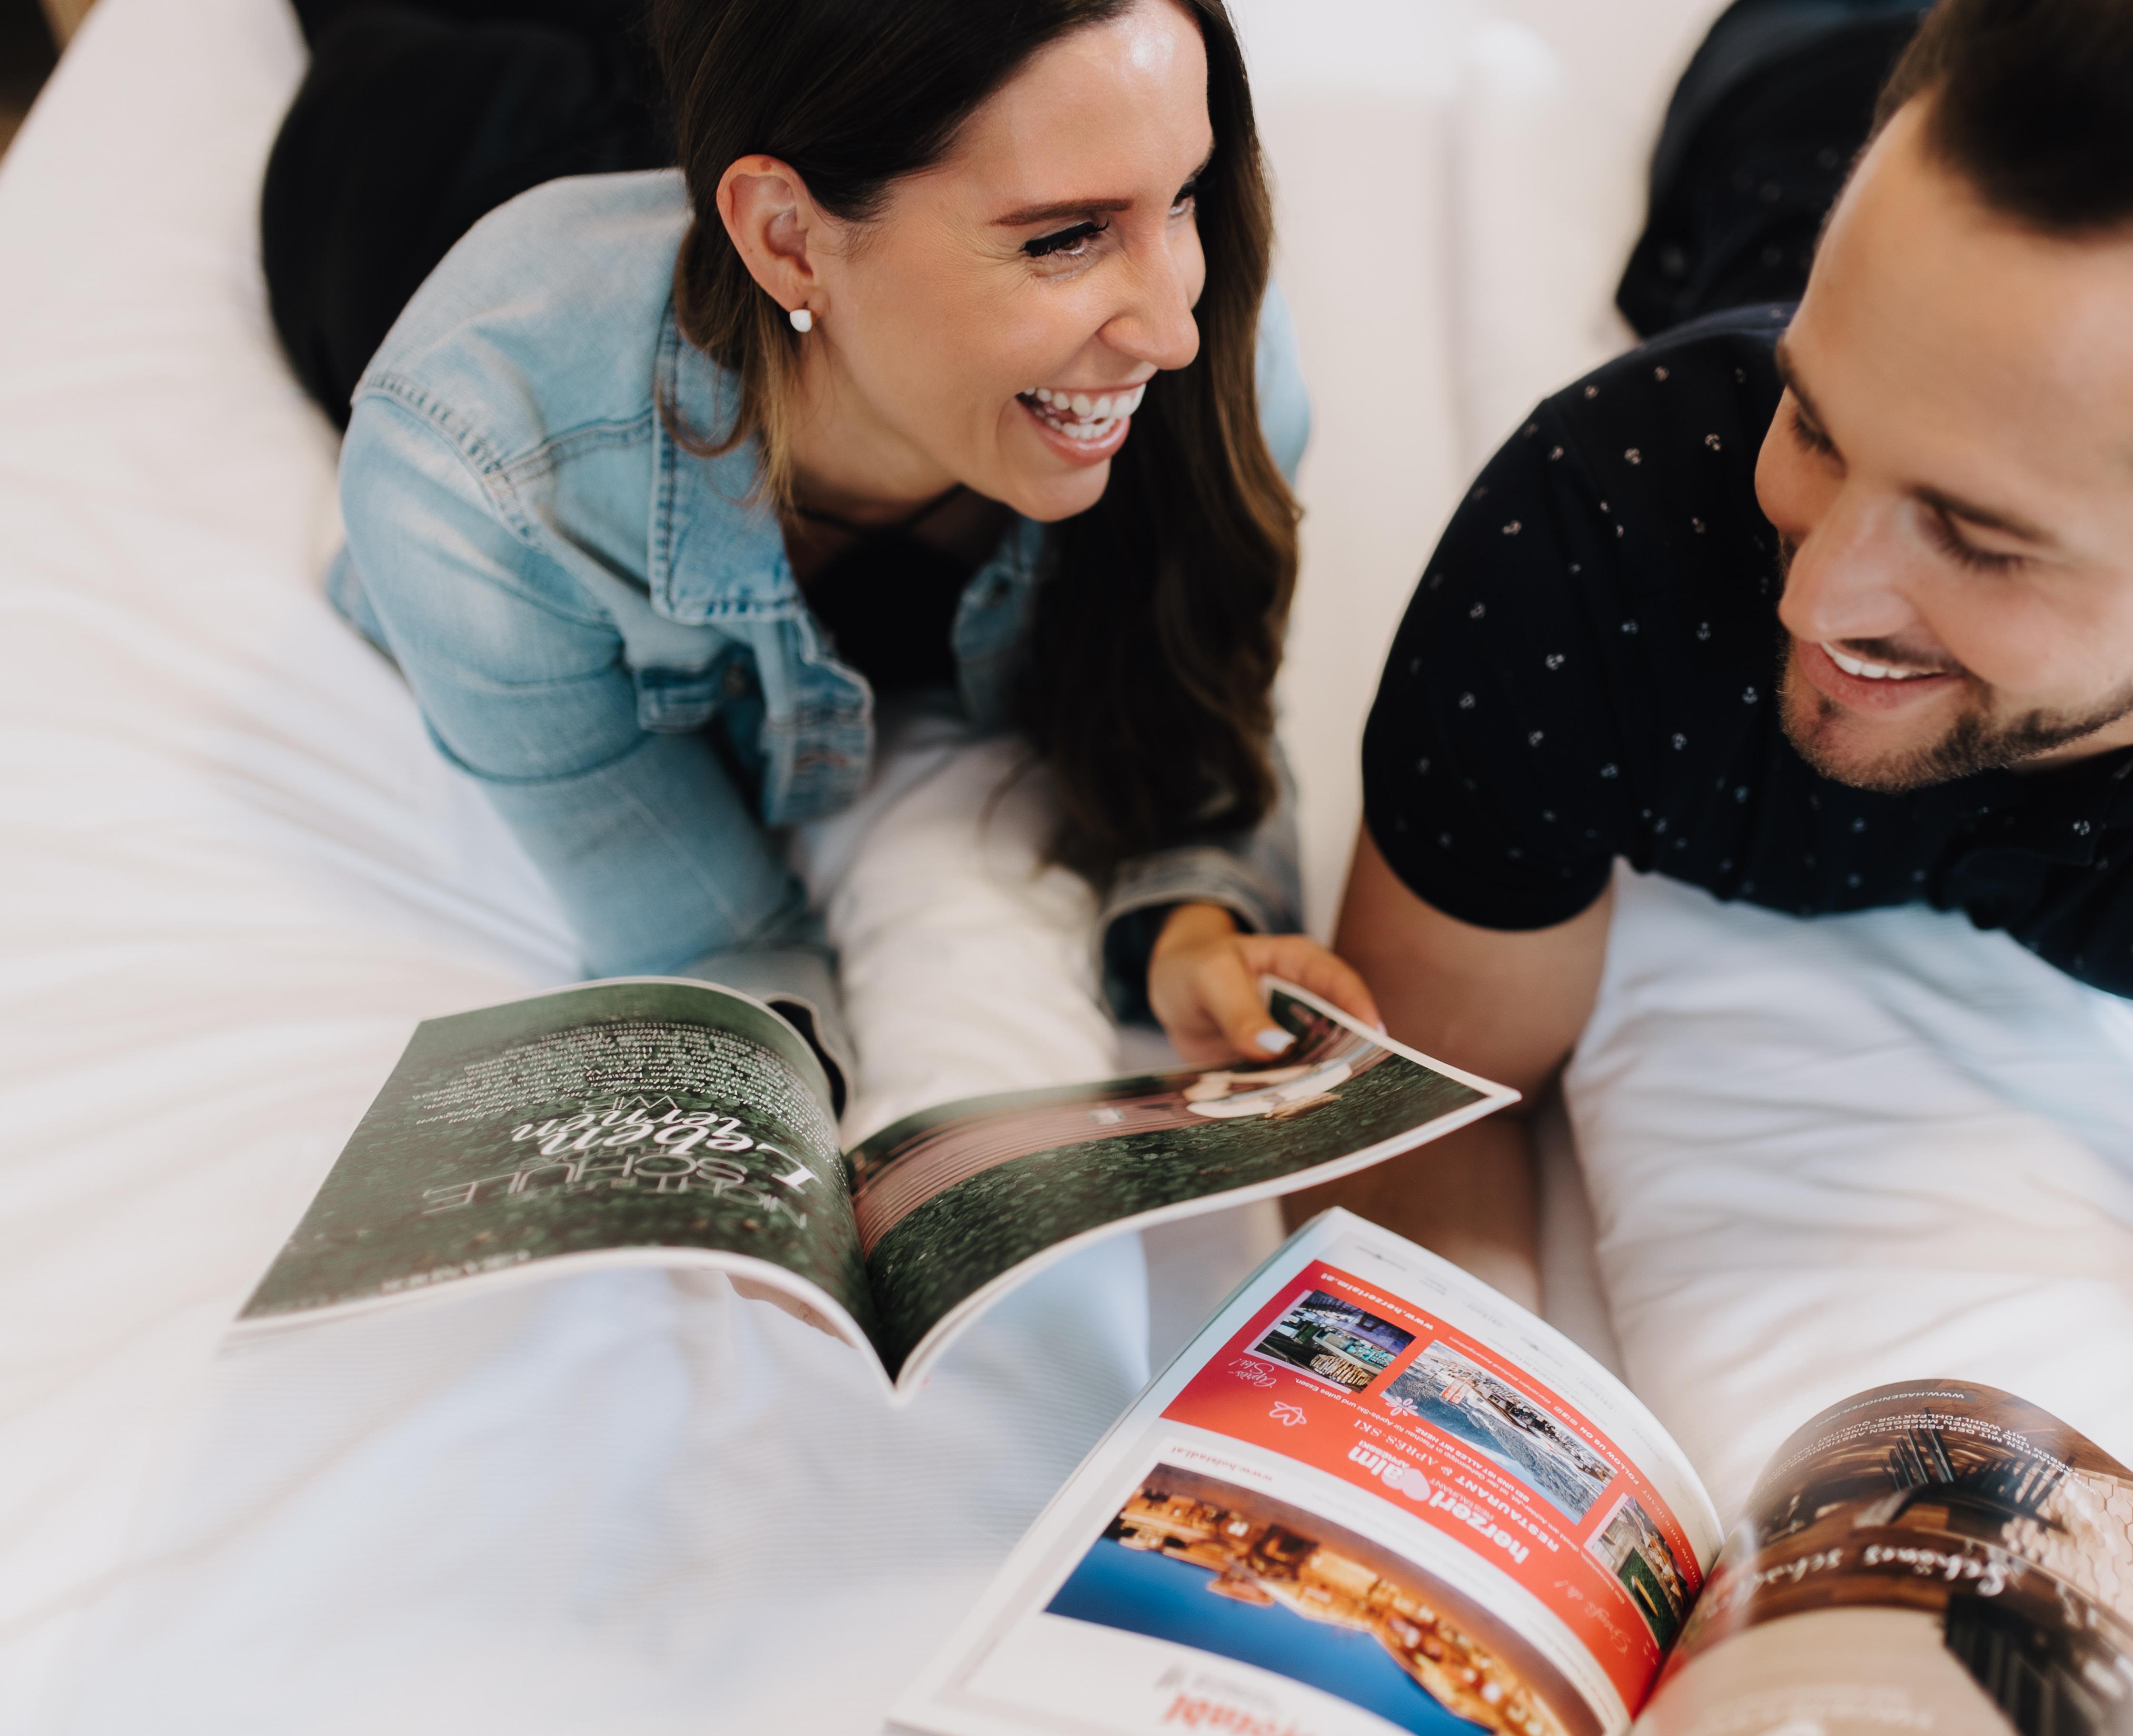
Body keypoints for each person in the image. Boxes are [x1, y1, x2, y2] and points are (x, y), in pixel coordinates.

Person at [1316, 0, 2133, 1729]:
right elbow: (1432, 1092)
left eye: (1980, 540)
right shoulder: (1610, 521)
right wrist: (1466, 1507)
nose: (1817, 595)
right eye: (1818, 427)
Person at [284, 0, 1375, 1115]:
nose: (1172, 332)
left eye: (1183, 196)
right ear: (788, 241)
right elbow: (706, 932)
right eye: (1063, 238)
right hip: (449, 153)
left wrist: (1196, 924)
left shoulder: (1217, 354)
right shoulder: (480, 471)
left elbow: (1195, 713)